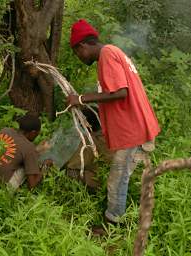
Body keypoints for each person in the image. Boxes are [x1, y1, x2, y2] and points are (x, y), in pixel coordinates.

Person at [67, 19, 161, 224]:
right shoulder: (112, 53)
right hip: (135, 128)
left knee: (117, 179)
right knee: (119, 176)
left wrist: (81, 98)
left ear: (83, 45)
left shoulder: (107, 54)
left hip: (133, 131)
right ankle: (116, 215)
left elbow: (120, 92)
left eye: (77, 53)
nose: (79, 57)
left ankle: (111, 224)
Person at [0, 114, 47, 190]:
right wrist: (45, 167)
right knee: (30, 164)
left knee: (26, 159)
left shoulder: (5, 130)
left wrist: (36, 151)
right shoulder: (29, 147)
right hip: (2, 187)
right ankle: (11, 191)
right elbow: (32, 185)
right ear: (33, 132)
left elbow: (16, 150)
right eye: (37, 133)